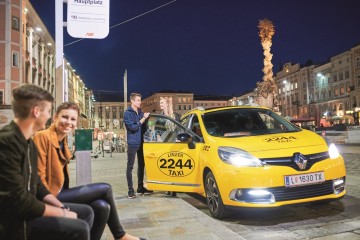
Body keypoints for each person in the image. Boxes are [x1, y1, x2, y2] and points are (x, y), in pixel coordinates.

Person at [33, 102, 144, 240]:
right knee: (106, 188)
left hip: (60, 192)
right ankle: (120, 235)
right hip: (47, 197)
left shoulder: (62, 139)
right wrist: (58, 206)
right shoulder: (42, 137)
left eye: (73, 119)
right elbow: (38, 181)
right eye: (64, 117)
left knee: (102, 206)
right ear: (55, 117)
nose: (68, 122)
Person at [0, 84, 93, 240]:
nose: (50, 116)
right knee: (80, 227)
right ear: (36, 112)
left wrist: (60, 205)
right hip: (16, 223)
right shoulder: (7, 141)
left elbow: (36, 184)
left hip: (27, 211)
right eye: (49, 111)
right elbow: (18, 200)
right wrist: (63, 213)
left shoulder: (28, 141)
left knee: (86, 213)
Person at [123, 93, 153, 199]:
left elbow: (143, 127)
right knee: (130, 167)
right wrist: (143, 119)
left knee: (142, 165)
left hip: (141, 142)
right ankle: (130, 190)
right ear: (132, 101)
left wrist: (147, 119)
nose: (140, 102)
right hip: (132, 143)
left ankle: (140, 188)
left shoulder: (140, 112)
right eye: (138, 100)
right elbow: (133, 127)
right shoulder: (127, 113)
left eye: (140, 100)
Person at [159, 97, 179, 197]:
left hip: (174, 145)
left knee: (174, 167)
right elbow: (158, 131)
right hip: (165, 144)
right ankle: (168, 187)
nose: (160, 104)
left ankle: (174, 188)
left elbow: (179, 130)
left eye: (162, 103)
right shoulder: (160, 117)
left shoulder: (175, 116)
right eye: (160, 103)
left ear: (167, 104)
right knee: (167, 167)